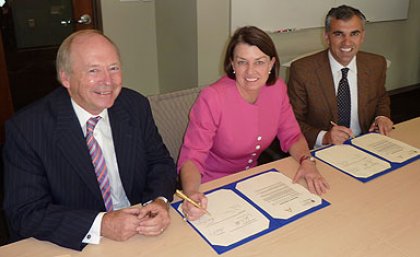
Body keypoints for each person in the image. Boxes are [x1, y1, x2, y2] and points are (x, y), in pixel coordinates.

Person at [2, 30, 177, 250]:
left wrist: (158, 202)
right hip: (75, 242)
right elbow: (25, 211)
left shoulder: (135, 106)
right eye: (93, 70)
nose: (108, 81)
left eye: (114, 68)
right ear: (65, 77)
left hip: (141, 234)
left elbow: (160, 163)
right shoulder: (28, 129)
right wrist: (101, 224)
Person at [177, 26, 329, 221]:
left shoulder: (277, 89)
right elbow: (192, 156)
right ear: (232, 64)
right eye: (242, 62)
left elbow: (292, 136)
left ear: (271, 64)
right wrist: (192, 193)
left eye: (259, 62)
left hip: (255, 182)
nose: (251, 71)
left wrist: (307, 162)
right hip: (210, 188)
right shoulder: (213, 98)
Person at [288, 5, 394, 149]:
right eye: (339, 34)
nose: (347, 42)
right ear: (326, 36)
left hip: (366, 143)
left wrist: (382, 117)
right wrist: (324, 137)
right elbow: (292, 121)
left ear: (362, 36)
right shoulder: (303, 70)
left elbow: (381, 97)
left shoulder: (376, 64)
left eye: (354, 34)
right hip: (323, 149)